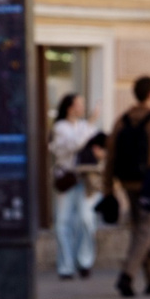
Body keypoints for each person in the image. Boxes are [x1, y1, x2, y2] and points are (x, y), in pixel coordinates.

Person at [109, 77, 150, 297]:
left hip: (127, 182)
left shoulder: (121, 121)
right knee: (145, 230)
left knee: (141, 230)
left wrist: (108, 188)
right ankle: (127, 275)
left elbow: (110, 157)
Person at [50, 91, 102, 279]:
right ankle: (66, 266)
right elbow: (76, 144)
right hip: (67, 179)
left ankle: (85, 261)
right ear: (70, 107)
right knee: (63, 222)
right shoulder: (60, 127)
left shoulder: (85, 126)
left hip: (86, 178)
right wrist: (91, 123)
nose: (82, 107)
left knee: (87, 220)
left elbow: (96, 144)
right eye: (79, 104)